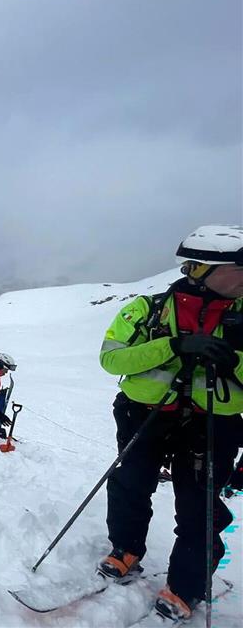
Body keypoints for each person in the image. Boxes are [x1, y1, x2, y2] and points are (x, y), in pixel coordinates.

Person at [96, 225, 243, 622]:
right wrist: (174, 346)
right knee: (131, 483)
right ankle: (125, 549)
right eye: (240, 268)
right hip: (144, 414)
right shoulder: (147, 308)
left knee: (200, 508)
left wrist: (234, 359)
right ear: (205, 269)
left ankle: (185, 587)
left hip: (212, 424)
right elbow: (112, 359)